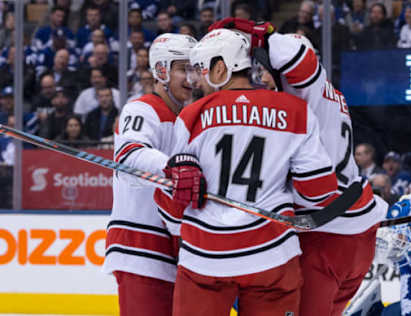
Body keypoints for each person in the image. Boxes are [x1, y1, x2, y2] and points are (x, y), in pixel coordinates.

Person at [155, 28, 344, 316]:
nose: (199, 78)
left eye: (204, 68)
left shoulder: (191, 115)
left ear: (221, 66)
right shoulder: (296, 111)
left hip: (204, 258)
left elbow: (170, 208)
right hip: (272, 255)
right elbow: (318, 192)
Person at [207, 19, 388, 316]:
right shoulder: (331, 96)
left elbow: (295, 56)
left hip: (324, 235)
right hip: (357, 231)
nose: (262, 79)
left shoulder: (307, 88)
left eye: (266, 70)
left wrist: (258, 37)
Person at [102, 33, 198, 316]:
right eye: (184, 69)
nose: (191, 78)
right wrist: (175, 167)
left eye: (195, 69)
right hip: (140, 245)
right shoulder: (142, 108)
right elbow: (129, 156)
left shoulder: (189, 118)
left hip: (176, 248)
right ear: (161, 70)